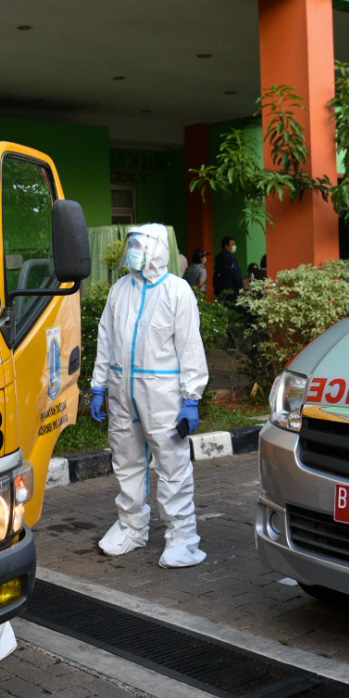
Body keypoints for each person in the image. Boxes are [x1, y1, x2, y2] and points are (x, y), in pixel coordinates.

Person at [89, 223, 210, 568]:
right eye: (133, 245)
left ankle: (182, 538)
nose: (133, 252)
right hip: (122, 390)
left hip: (163, 394)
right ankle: (131, 527)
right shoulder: (120, 290)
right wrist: (99, 385)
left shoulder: (177, 291)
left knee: (171, 465)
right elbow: (105, 339)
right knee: (126, 462)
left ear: (157, 249)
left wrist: (191, 397)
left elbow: (189, 345)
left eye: (140, 246)